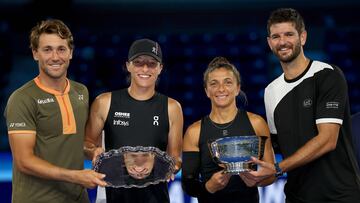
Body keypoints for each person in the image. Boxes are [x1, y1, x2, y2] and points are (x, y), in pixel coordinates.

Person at [245, 8, 360, 202]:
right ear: (269, 42)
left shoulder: (328, 75)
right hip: (297, 196)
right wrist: (249, 168)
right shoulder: (271, 91)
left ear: (303, 37)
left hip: (339, 195)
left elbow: (328, 139)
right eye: (276, 36)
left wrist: (278, 168)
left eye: (289, 34)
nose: (282, 42)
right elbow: (277, 148)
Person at [4, 19, 107, 203]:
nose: (55, 57)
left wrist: (93, 152)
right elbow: (24, 161)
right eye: (47, 49)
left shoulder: (80, 91)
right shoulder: (22, 99)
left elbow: (75, 141)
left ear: (71, 53)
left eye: (61, 49)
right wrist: (75, 176)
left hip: (77, 198)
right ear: (35, 53)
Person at [84, 38, 183, 203]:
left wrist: (163, 166)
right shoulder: (104, 102)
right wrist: (93, 152)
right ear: (128, 65)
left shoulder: (172, 107)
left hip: (156, 197)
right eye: (138, 62)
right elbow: (86, 143)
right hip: (113, 196)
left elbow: (176, 158)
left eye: (151, 63)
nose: (145, 68)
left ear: (160, 68)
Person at [181, 56, 275, 203]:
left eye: (228, 82)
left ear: (237, 88)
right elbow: (188, 184)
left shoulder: (256, 123)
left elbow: (271, 174)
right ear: (206, 91)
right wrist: (209, 187)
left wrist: (257, 180)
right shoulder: (194, 132)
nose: (221, 89)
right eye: (214, 83)